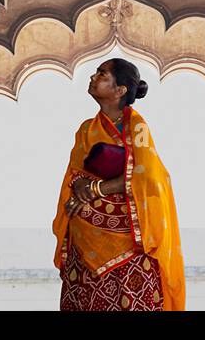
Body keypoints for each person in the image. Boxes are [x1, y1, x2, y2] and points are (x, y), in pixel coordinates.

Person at [52, 57, 185, 310]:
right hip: (84, 243)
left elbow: (148, 177)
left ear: (120, 90)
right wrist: (80, 188)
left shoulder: (137, 128)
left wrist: (95, 189)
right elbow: (75, 173)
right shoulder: (86, 129)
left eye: (102, 74)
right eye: (95, 73)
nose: (93, 77)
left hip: (127, 246)